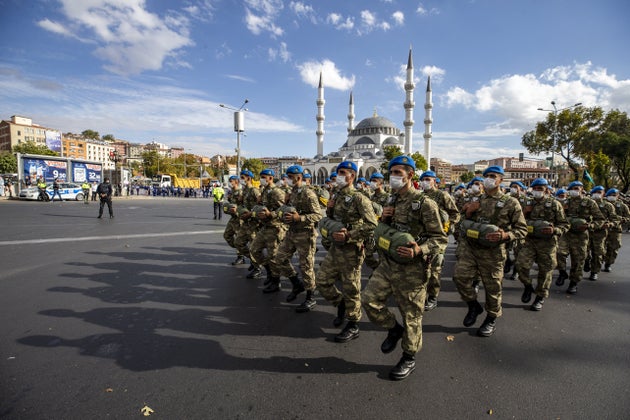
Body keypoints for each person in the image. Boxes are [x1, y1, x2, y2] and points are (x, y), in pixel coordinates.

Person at [361, 155, 447, 380]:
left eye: (399, 172)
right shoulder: (391, 200)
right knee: (368, 300)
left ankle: (409, 357)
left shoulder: (425, 204)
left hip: (412, 270)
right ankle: (393, 328)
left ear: (410, 175)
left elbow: (440, 238)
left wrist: (419, 250)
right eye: (392, 172)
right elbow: (385, 230)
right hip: (388, 265)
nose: (394, 177)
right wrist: (383, 218)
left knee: (411, 316)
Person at [453, 166, 527, 337]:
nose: (488, 179)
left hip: (493, 253)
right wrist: (468, 213)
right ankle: (473, 306)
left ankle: (491, 317)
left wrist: (506, 235)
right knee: (460, 278)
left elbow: (522, 230)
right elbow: (462, 223)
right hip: (471, 249)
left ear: (501, 180)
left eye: (493, 176)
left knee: (492, 289)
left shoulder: (511, 203)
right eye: (486, 176)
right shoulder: (476, 199)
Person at [316, 161, 377, 343]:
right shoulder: (337, 195)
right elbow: (331, 218)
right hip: (336, 247)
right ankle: (340, 303)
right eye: (338, 172)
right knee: (322, 281)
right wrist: (330, 207)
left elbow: (372, 225)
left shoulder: (359, 198)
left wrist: (350, 235)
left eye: (343, 173)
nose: (339, 176)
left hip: (352, 249)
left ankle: (353, 324)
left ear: (352, 176)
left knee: (351, 288)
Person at [268, 165, 322, 311]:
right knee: (279, 258)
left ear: (298, 177)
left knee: (306, 266)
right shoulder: (291, 192)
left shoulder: (308, 193)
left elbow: (318, 215)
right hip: (291, 233)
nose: (287, 179)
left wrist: (300, 218)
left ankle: (310, 297)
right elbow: (283, 209)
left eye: (290, 176)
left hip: (306, 234)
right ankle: (296, 284)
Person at [515, 178, 569, 311]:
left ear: (546, 190)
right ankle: (528, 286)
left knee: (545, 271)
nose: (538, 191)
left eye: (541, 188)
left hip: (547, 244)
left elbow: (565, 225)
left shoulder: (554, 204)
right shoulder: (527, 203)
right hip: (529, 241)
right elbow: (516, 222)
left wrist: (554, 230)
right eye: (535, 189)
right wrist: (525, 213)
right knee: (521, 266)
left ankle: (540, 297)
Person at [418, 170, 460, 311]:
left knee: (435, 269)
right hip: (422, 237)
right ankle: (421, 293)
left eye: (428, 179)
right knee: (422, 268)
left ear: (435, 181)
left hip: (437, 237)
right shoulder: (419, 196)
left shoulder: (442, 195)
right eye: (423, 179)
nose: (425, 181)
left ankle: (433, 296)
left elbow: (455, 213)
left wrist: (448, 226)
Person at [555, 181, 604, 293]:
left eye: (577, 188)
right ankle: (562, 272)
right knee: (559, 253)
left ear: (582, 189)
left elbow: (600, 220)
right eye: (572, 188)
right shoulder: (565, 202)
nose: (574, 190)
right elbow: (558, 217)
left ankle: (573, 283)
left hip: (581, 236)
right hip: (566, 233)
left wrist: (589, 226)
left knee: (577, 260)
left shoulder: (589, 203)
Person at [249, 168, 288, 287]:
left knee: (273, 256)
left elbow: (284, 209)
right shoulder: (264, 191)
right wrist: (259, 204)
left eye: (263, 177)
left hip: (275, 227)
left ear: (270, 178)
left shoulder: (277, 192)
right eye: (261, 177)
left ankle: (276, 281)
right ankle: (269, 272)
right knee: (254, 250)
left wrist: (271, 214)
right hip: (265, 226)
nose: (261, 179)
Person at [585, 186, 619, 280]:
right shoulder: (585, 203)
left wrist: (609, 224)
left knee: (598, 253)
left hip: (600, 233)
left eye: (599, 192)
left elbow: (615, 220)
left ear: (603, 193)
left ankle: (594, 271)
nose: (597, 194)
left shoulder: (608, 205)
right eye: (595, 192)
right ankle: (586, 261)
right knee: (583, 252)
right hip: (585, 231)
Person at [233, 170, 261, 276]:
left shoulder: (254, 190)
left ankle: (257, 267)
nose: (241, 179)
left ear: (249, 178)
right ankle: (254, 262)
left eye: (243, 177)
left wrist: (251, 214)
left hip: (254, 223)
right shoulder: (244, 190)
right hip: (246, 222)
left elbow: (260, 206)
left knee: (254, 247)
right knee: (238, 243)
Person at [603, 188, 630, 272]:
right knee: (600, 248)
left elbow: (628, 217)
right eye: (611, 195)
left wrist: (622, 220)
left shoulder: (622, 206)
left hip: (616, 230)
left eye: (614, 195)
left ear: (618, 196)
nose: (613, 197)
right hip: (603, 229)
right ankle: (596, 264)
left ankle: (608, 263)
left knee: (614, 248)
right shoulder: (602, 204)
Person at [223, 176, 246, 265]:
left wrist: (237, 210)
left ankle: (240, 256)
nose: (229, 182)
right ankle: (242, 250)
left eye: (231, 181)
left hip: (239, 219)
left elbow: (244, 206)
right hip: (233, 218)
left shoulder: (240, 192)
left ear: (236, 181)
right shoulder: (232, 192)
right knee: (227, 235)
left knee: (238, 238)